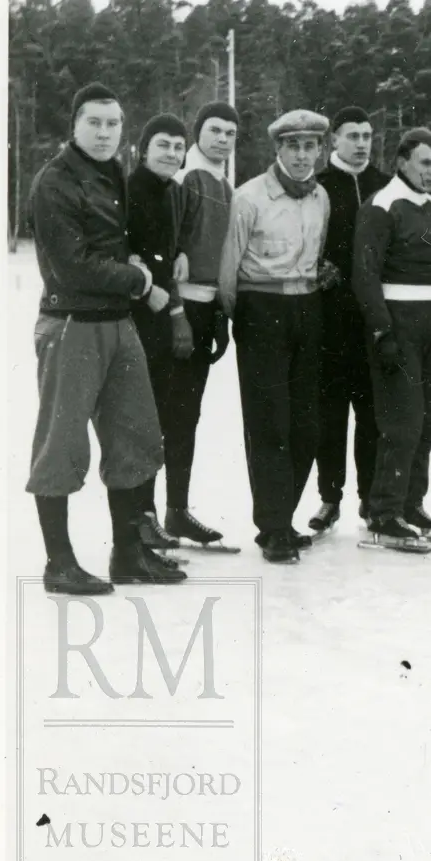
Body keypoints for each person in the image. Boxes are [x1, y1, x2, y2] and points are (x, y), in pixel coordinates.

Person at [26, 82, 186, 593]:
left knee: (135, 437)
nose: (104, 132)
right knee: (62, 446)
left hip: (119, 325)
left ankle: (129, 554)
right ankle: (60, 563)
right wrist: (139, 280)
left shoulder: (112, 172)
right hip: (72, 326)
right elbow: (73, 267)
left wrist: (152, 262)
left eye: (113, 124)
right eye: (94, 122)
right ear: (73, 125)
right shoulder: (55, 181)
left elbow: (124, 242)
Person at [219, 110, 331, 564]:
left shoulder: (321, 196)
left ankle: (284, 517)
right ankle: (273, 528)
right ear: (278, 150)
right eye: (294, 147)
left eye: (310, 147)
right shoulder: (249, 198)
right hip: (262, 309)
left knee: (306, 423)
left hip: (307, 308)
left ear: (320, 150)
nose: (303, 156)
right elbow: (229, 272)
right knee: (270, 422)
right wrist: (242, 320)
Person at [352, 127, 431, 549]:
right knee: (402, 421)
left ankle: (411, 503)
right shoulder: (381, 205)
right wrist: (382, 330)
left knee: (427, 418)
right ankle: (384, 513)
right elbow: (365, 275)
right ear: (402, 162)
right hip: (397, 321)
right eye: (425, 163)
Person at [309, 106, 389, 534]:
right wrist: (318, 267)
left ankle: (370, 498)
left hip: (374, 318)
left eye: (367, 135)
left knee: (373, 411)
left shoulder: (383, 185)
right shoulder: (320, 187)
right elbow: (305, 240)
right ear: (334, 140)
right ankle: (329, 496)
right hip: (331, 319)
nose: (361, 143)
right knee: (331, 412)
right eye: (352, 135)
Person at [168, 100, 238, 549]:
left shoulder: (225, 186)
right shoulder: (184, 178)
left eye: (231, 133)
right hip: (177, 313)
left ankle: (177, 510)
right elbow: (168, 251)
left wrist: (220, 314)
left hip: (207, 308)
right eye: (215, 130)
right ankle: (148, 516)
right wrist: (178, 315)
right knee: (168, 413)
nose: (223, 139)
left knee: (187, 417)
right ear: (198, 132)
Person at [126, 114, 195, 564]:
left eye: (177, 147)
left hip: (161, 312)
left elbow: (169, 246)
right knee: (139, 420)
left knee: (162, 416)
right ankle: (138, 519)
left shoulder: (173, 191)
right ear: (143, 148)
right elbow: (131, 249)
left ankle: (149, 515)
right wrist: (173, 308)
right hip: (135, 316)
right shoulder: (133, 190)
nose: (172, 154)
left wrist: (183, 250)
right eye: (163, 145)